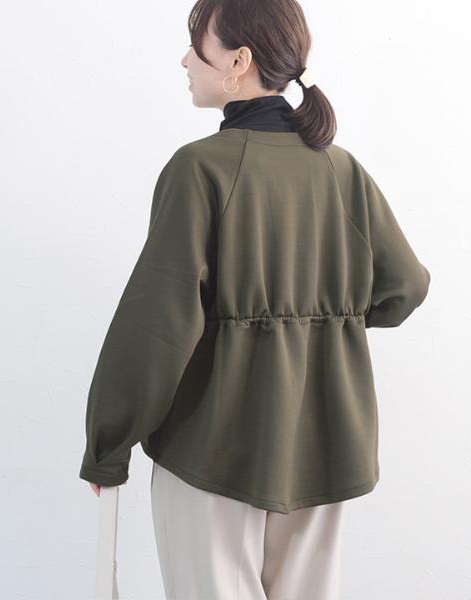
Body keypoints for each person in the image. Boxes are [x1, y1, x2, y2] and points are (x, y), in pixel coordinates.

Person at [79, 0, 431, 598]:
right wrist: (324, 320)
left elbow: (157, 328)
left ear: (238, 61)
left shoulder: (200, 169)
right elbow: (405, 288)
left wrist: (107, 444)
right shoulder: (341, 170)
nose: (185, 60)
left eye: (198, 45)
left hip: (211, 451)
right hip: (322, 449)